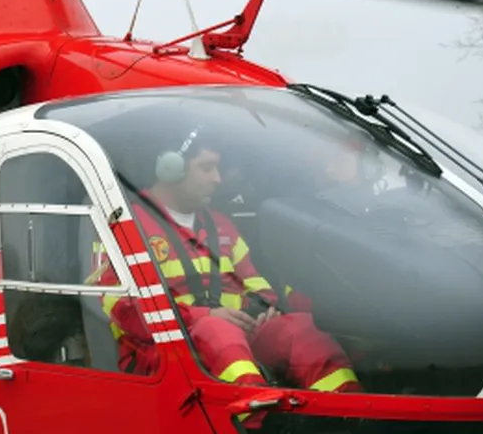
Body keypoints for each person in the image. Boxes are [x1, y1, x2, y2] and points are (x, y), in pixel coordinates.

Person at [96, 125, 362, 414]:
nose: (217, 179)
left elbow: (255, 281)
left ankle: (351, 417)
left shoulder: (220, 224)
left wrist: (266, 308)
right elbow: (121, 307)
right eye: (207, 168)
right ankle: (255, 429)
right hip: (165, 352)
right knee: (217, 331)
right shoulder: (126, 227)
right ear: (171, 169)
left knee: (304, 330)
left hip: (238, 334)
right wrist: (204, 315)